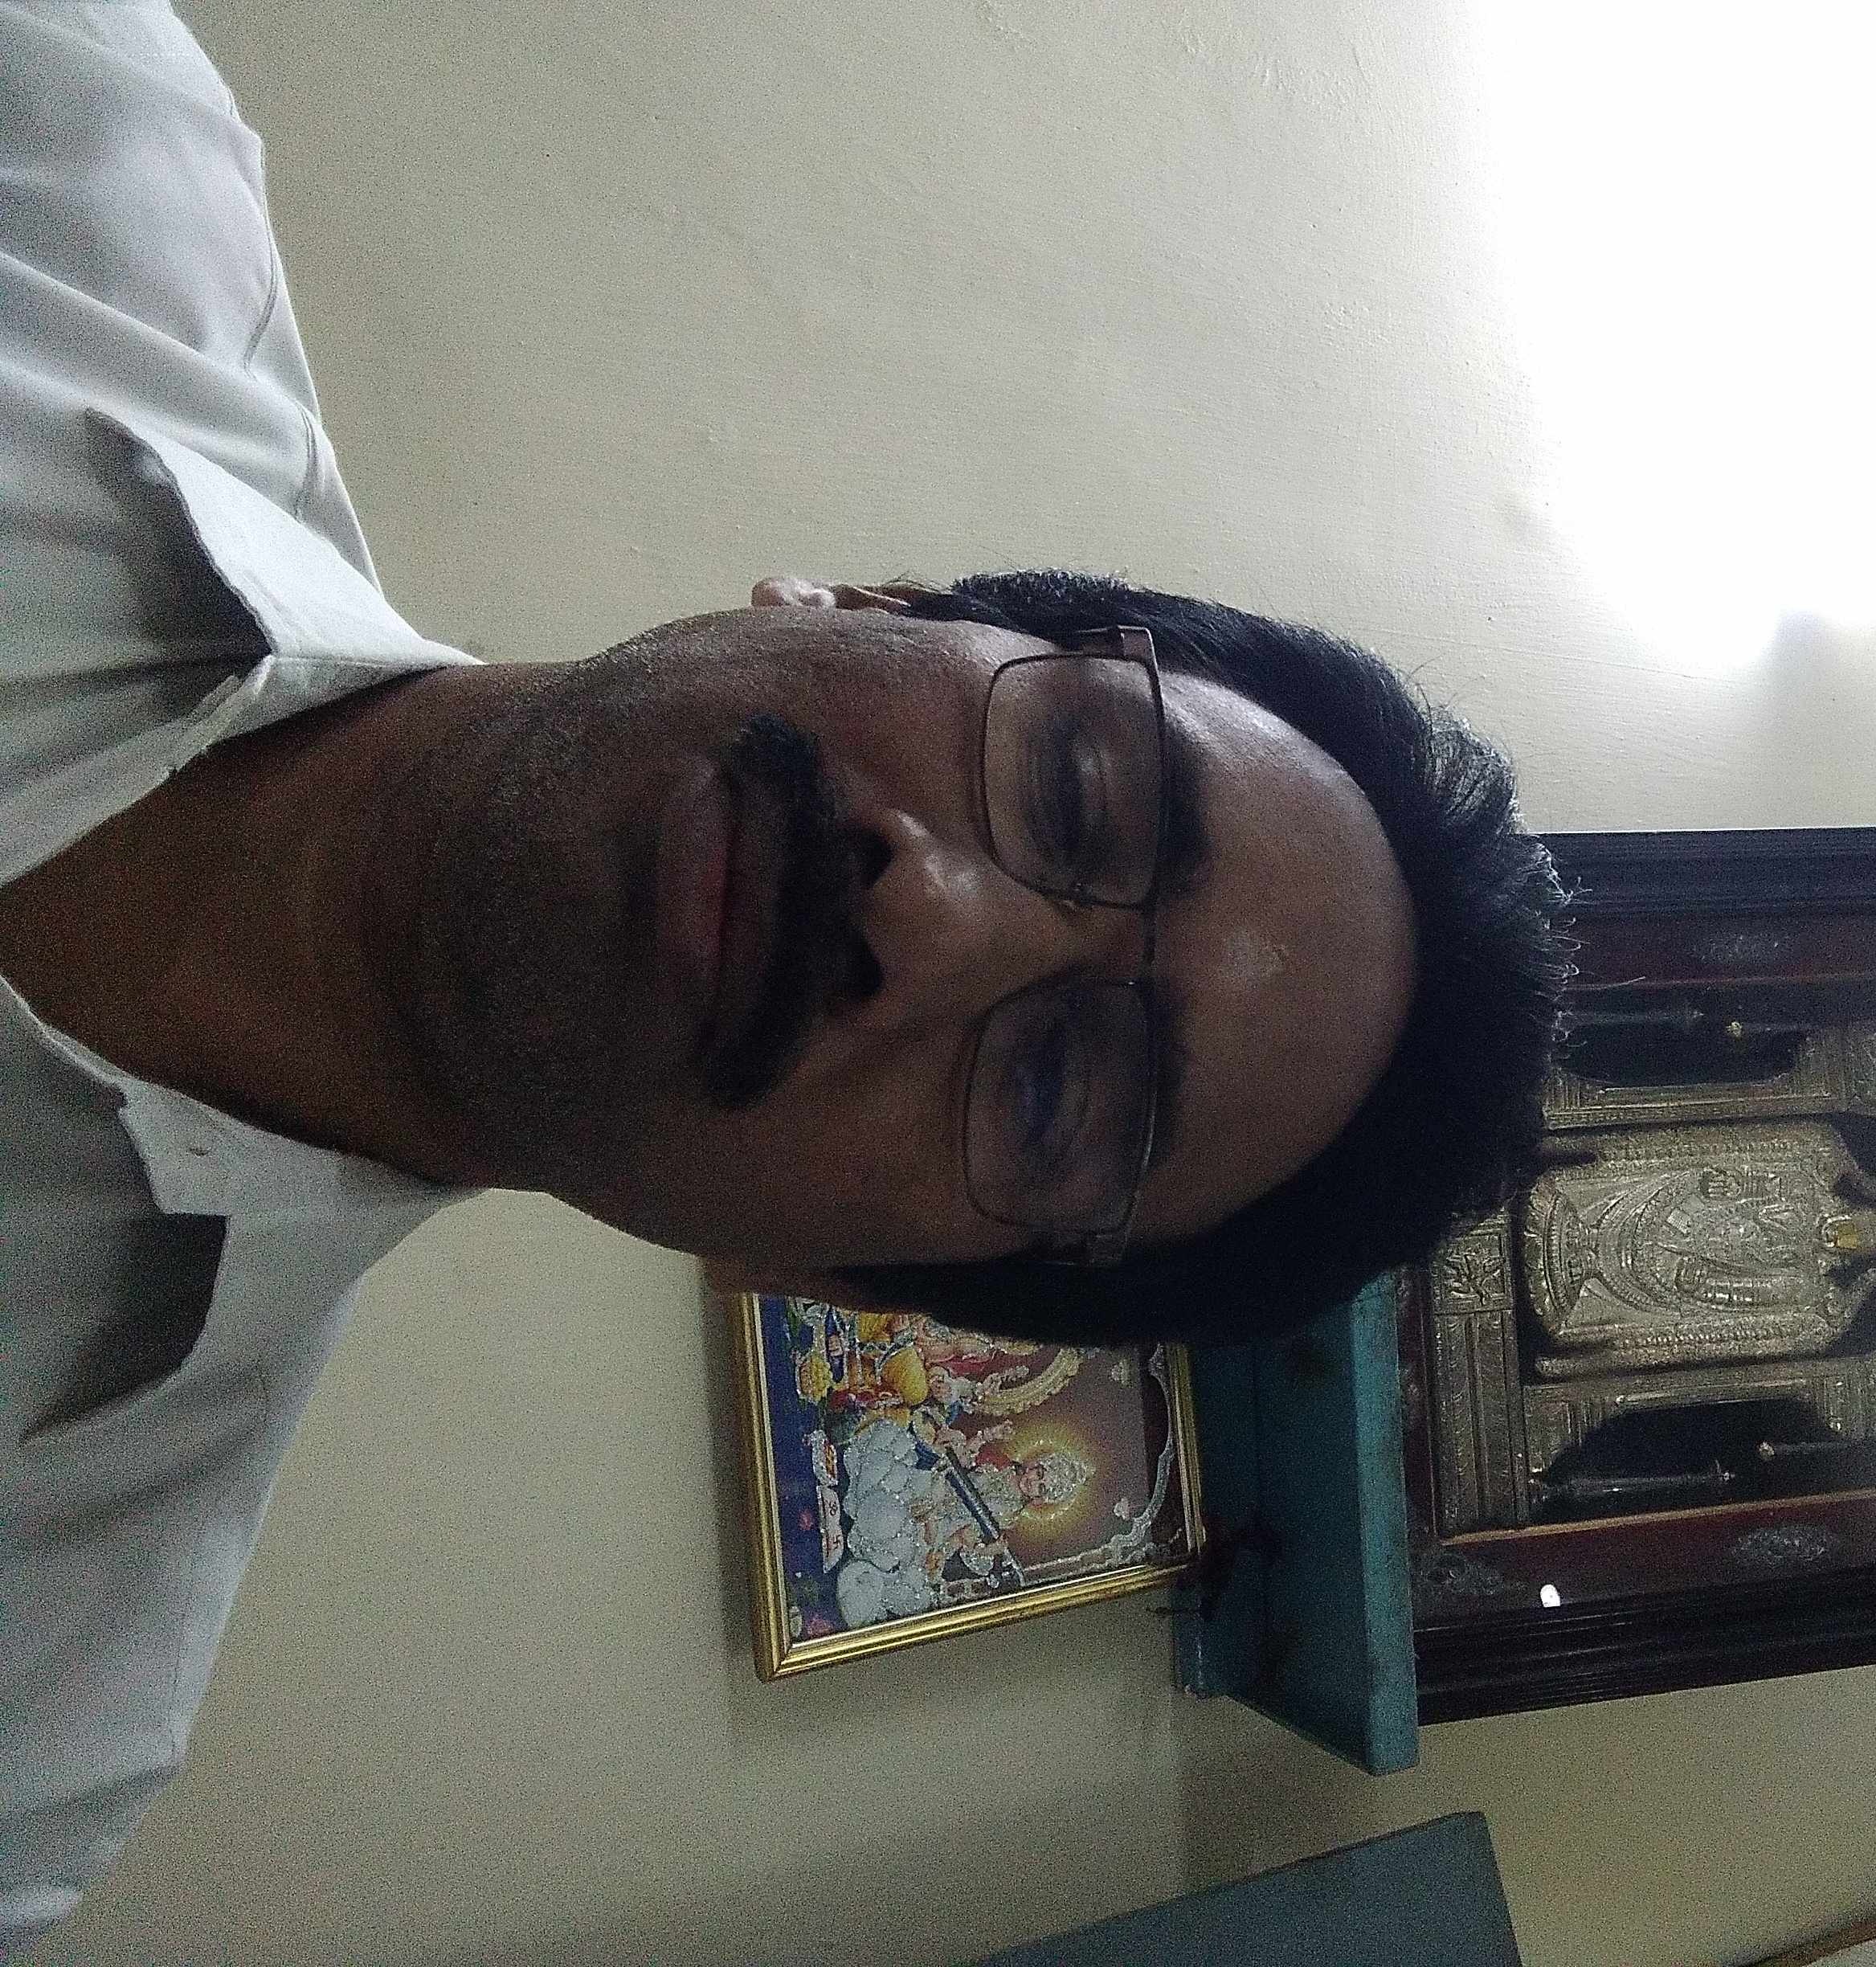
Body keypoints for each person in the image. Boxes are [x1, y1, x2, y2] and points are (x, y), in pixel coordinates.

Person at [0, 2, 1568, 1942]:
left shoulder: (44, 1702)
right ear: (867, 599)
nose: (931, 916)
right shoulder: (72, 164)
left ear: (830, 1286)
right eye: (1073, 786)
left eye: (1063, 1092)